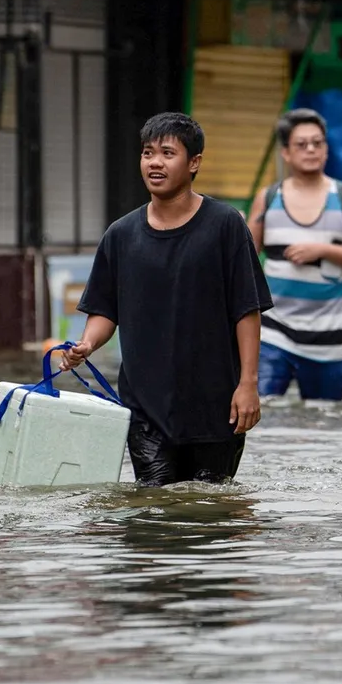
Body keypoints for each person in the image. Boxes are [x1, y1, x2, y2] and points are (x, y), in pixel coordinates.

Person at [64, 112, 273, 486]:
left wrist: (248, 384)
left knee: (208, 513)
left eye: (167, 153)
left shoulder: (225, 225)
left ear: (194, 163)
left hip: (216, 406)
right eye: (147, 153)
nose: (154, 162)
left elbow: (247, 309)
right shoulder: (121, 234)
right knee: (155, 508)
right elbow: (104, 309)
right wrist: (87, 343)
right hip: (145, 406)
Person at [246, 109, 342, 402]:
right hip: (274, 330)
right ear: (286, 153)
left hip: (331, 334)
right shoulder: (268, 198)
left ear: (326, 149)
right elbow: (246, 258)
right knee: (263, 414)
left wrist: (323, 250)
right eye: (302, 144)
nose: (311, 150)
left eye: (317, 143)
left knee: (324, 419)